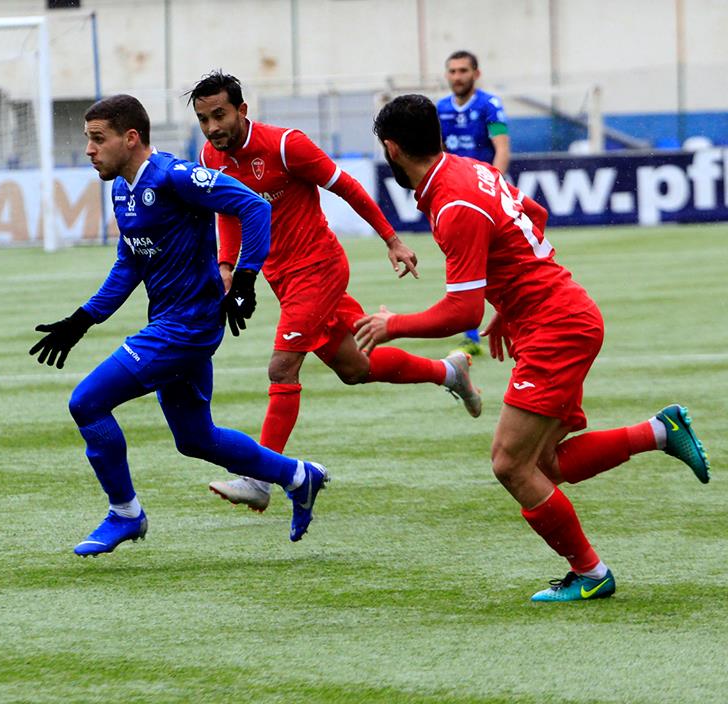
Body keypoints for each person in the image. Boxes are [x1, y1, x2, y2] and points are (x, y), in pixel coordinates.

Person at [356, 94, 711, 602]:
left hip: (555, 328)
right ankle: (660, 431)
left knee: (510, 464)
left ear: (391, 149)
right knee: (545, 464)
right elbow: (533, 217)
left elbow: (462, 313)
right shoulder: (472, 170)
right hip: (561, 315)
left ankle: (591, 574)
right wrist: (509, 301)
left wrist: (394, 325)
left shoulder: (453, 203)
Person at [29, 94, 330, 555]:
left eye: (98, 139)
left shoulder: (175, 175)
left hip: (186, 328)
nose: (89, 149)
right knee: (195, 438)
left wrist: (245, 278)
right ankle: (298, 476)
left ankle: (125, 513)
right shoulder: (122, 189)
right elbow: (130, 262)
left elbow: (254, 207)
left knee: (87, 402)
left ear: (131, 138)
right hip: (173, 325)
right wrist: (83, 318)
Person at [187, 71, 482, 513]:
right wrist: (226, 266)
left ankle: (260, 478)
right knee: (355, 367)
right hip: (283, 278)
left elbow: (346, 187)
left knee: (282, 368)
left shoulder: (286, 145)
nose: (212, 127)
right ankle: (449, 372)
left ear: (242, 110)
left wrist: (392, 239)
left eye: (219, 115)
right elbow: (227, 212)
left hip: (319, 268)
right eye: (203, 119)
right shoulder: (211, 156)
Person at [438, 50, 511, 356]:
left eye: (463, 71)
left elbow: (502, 148)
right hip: (456, 195)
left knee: (501, 263)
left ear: (476, 74)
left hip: (485, 192)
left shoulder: (489, 105)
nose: (457, 77)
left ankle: (512, 321)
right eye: (453, 71)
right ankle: (471, 335)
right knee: (463, 262)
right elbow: (438, 152)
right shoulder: (440, 109)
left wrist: (494, 185)